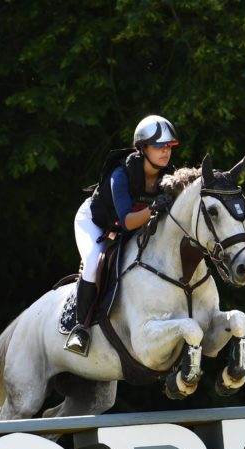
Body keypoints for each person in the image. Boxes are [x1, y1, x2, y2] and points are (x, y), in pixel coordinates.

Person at [66, 114, 179, 355]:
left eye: (168, 146)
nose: (165, 152)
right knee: (93, 263)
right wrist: (152, 210)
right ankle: (80, 329)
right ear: (142, 149)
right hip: (94, 222)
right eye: (158, 146)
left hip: (123, 228)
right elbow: (128, 222)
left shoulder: (168, 176)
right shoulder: (121, 175)